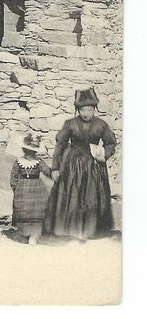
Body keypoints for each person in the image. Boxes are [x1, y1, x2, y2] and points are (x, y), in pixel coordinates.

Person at [43, 87, 116, 241]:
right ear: (78, 110)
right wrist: (55, 168)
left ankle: (91, 230)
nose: (86, 113)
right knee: (72, 196)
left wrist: (104, 154)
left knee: (92, 196)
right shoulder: (70, 124)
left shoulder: (101, 125)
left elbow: (110, 143)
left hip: (94, 167)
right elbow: (60, 146)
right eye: (83, 110)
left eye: (89, 110)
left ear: (94, 109)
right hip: (72, 165)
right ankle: (69, 229)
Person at [10, 133, 52, 245]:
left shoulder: (39, 162)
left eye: (32, 152)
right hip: (22, 189)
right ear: (24, 150)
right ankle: (24, 233)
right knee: (23, 210)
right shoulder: (18, 162)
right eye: (28, 151)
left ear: (35, 152)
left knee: (36, 211)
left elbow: (47, 171)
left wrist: (55, 172)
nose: (30, 153)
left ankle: (34, 235)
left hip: (36, 188)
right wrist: (16, 189)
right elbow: (13, 177)